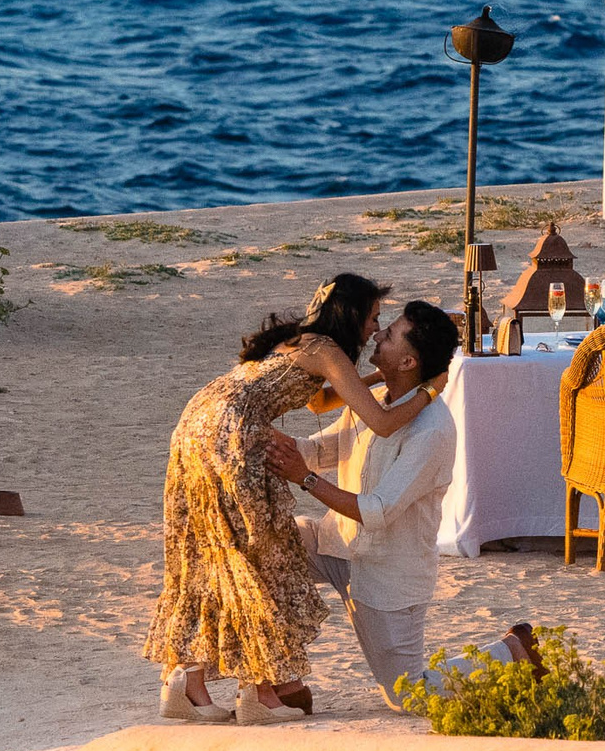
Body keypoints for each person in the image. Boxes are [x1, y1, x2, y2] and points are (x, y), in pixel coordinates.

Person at [146, 275, 431, 725]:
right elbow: (381, 421)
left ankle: (186, 683)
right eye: (374, 318)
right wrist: (431, 388)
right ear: (353, 315)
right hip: (234, 431)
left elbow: (320, 402)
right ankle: (260, 693)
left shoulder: (300, 340)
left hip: (197, 422)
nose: (377, 329)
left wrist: (380, 375)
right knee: (259, 555)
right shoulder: (327, 349)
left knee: (208, 552)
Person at [263, 300, 538, 710]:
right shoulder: (373, 401)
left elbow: (377, 511)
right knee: (258, 550)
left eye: (389, 334)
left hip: (387, 577)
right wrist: (264, 439)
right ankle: (281, 682)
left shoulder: (432, 430)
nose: (377, 335)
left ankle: (512, 650)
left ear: (408, 361)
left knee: (407, 694)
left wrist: (304, 478)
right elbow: (322, 450)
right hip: (334, 545)